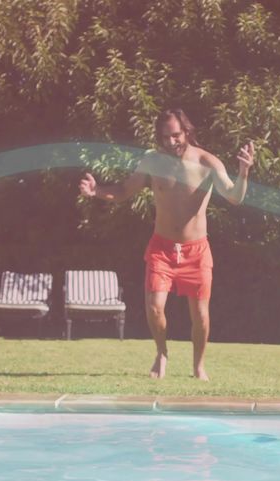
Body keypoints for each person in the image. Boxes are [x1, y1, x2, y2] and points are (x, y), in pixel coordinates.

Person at [78, 109, 255, 381]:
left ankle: (198, 366)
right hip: (162, 248)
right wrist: (97, 192)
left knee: (201, 317)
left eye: (176, 135)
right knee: (154, 306)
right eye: (165, 137)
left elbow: (234, 197)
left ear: (186, 131)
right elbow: (125, 191)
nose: (171, 142)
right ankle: (162, 353)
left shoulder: (207, 162)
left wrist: (243, 173)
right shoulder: (152, 161)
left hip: (196, 251)